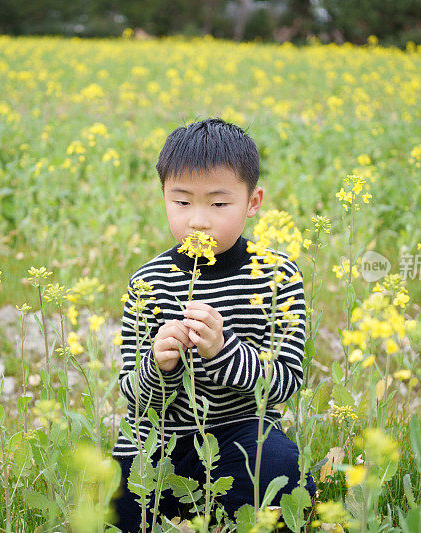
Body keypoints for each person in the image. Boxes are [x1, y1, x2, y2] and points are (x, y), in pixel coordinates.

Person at [111, 118, 316, 531]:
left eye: (219, 204)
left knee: (287, 477)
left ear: (252, 201)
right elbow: (132, 393)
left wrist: (225, 353)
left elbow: (287, 380)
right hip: (157, 442)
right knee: (111, 509)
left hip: (236, 434)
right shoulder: (148, 282)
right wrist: (159, 365)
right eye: (182, 202)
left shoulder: (276, 277)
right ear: (164, 198)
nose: (198, 221)